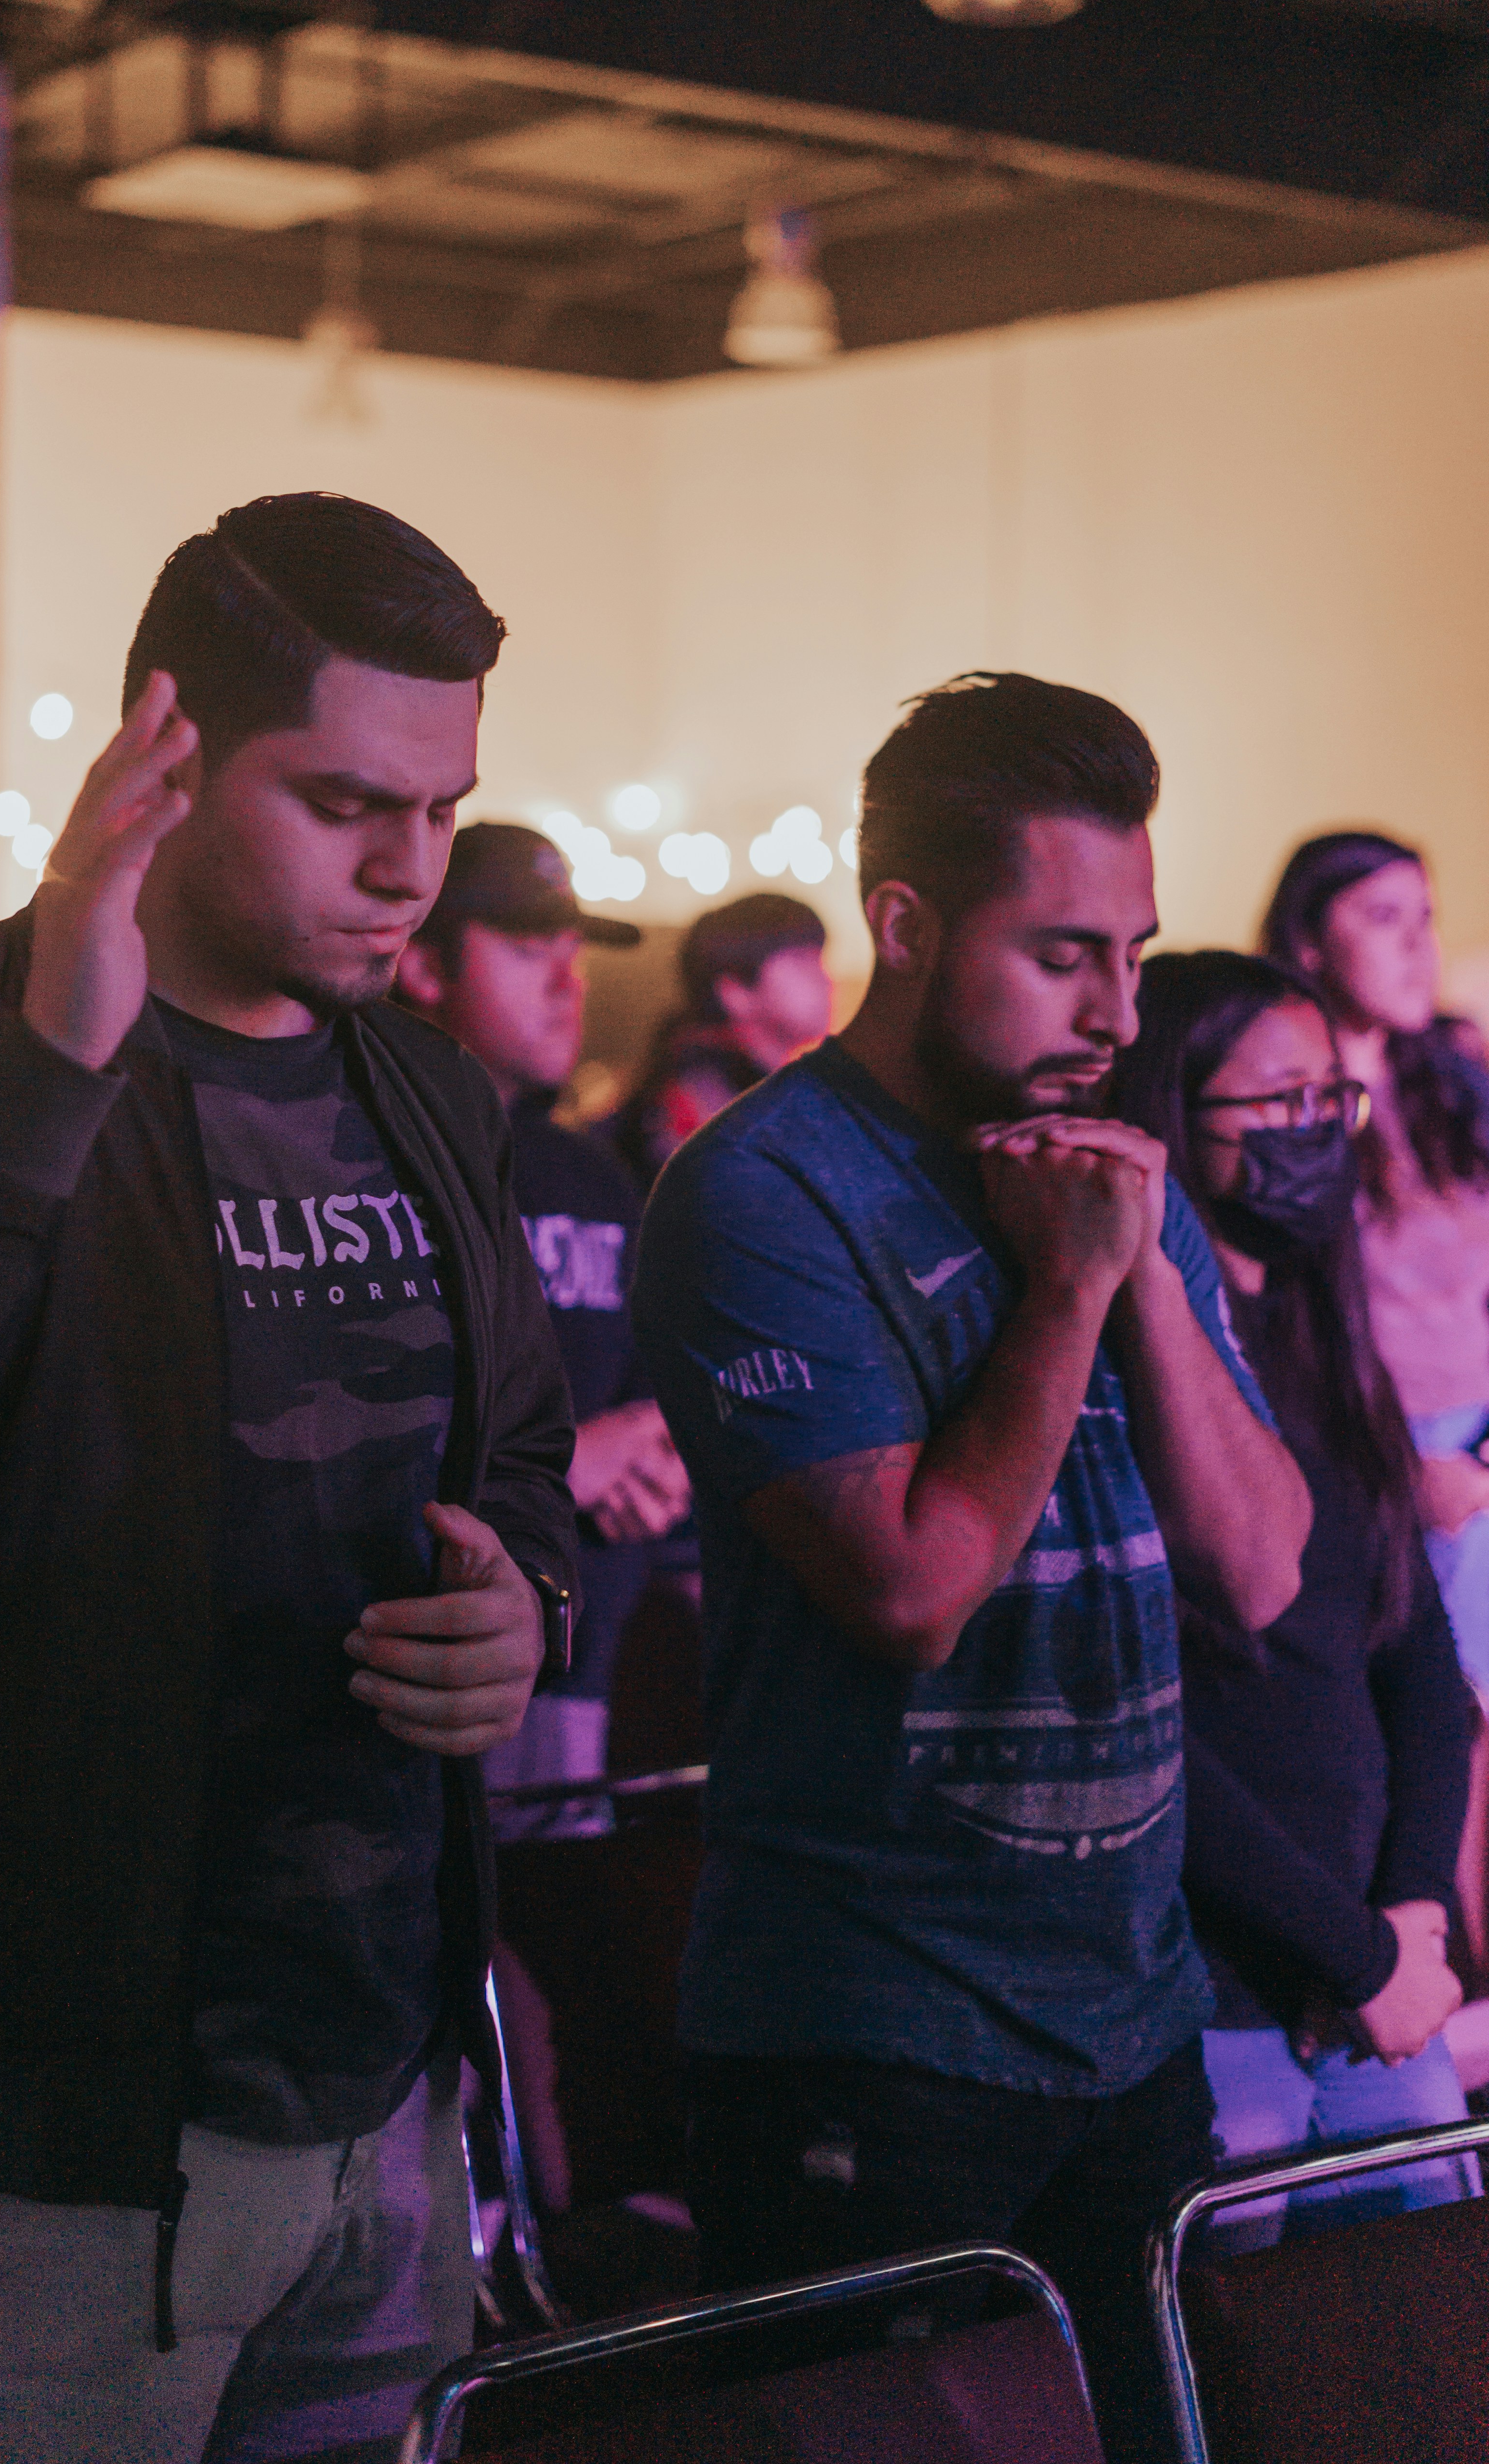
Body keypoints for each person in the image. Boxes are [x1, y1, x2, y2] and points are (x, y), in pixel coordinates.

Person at [0, 496, 581, 2464]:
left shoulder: (417, 1082)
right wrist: (51, 1073)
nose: (406, 870)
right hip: (38, 2150)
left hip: (381, 2102)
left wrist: (534, 1598)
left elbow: (522, 1450)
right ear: (160, 756)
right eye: (347, 800)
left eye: (443, 811)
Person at [632, 672, 1310, 2464]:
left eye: (1136, 952)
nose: (1115, 1008)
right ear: (906, 924)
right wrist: (1073, 1287)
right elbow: (908, 1587)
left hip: (1128, 2010)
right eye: (1063, 953)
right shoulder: (760, 1193)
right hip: (865, 2032)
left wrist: (1141, 1261)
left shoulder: (1118, 1171)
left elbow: (1256, 1567)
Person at [1111, 951, 1473, 2234]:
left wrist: (1413, 1922)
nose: (1314, 1130)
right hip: (1227, 1988)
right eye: (1275, 1104)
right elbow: (1147, 1731)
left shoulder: (1327, 1341)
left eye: (1332, 1098)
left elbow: (1421, 1670)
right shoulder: (1140, 1369)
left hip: (1382, 1985)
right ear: (1169, 1115)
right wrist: (1353, 1953)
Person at [398, 823, 692, 1828]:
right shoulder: (364, 1164)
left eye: (574, 956)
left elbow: (646, 1397)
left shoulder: (589, 1175)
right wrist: (572, 1464)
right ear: (424, 965)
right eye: (530, 952)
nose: (568, 984)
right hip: (410, 1684)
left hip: (575, 1681)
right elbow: (340, 1443)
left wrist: (660, 1457)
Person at [1263, 832, 1489, 1696]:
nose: (1417, 945)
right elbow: (1281, 1328)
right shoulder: (1283, 1108)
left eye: (1426, 919)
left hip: (1472, 1448)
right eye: (1385, 918)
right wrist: (1402, 1474)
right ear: (1311, 941)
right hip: (1361, 1457)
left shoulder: (1455, 1087)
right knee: (1428, 1730)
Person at [611, 893, 831, 1198]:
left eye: (820, 960)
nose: (825, 979)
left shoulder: (758, 1090)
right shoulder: (705, 1100)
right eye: (801, 962)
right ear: (735, 991)